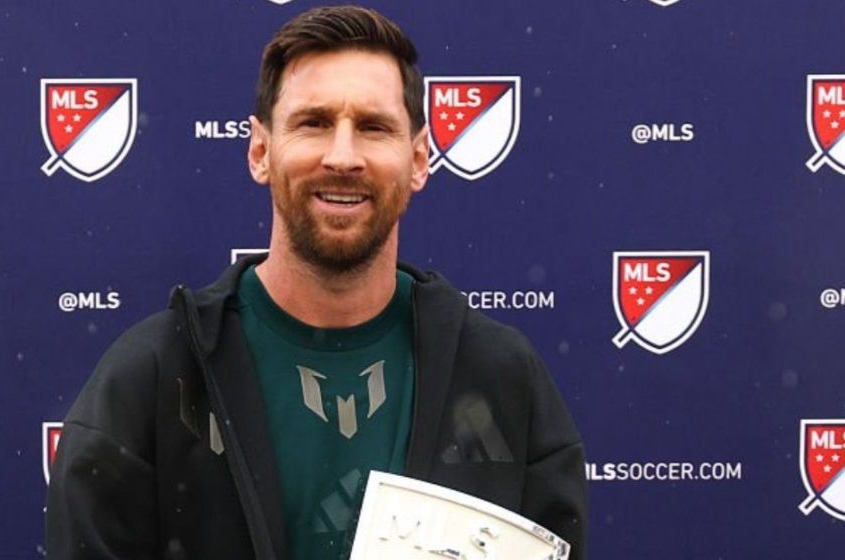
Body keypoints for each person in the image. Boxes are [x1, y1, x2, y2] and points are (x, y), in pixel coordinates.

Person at [46, 5, 586, 560]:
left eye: (373, 127)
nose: (343, 157)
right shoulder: (155, 379)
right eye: (314, 123)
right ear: (260, 151)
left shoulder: (501, 380)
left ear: (419, 158)